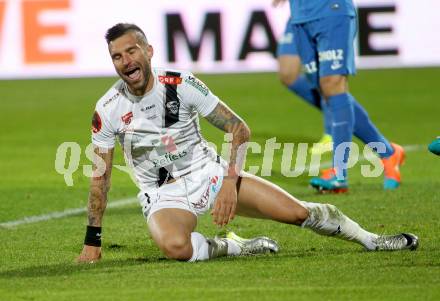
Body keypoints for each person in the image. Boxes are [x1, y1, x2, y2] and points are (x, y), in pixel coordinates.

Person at [77, 23, 418, 264]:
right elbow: (100, 177)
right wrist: (92, 243)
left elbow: (238, 128)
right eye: (117, 57)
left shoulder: (181, 84)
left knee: (299, 213)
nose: (126, 62)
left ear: (148, 51)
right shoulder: (108, 109)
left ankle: (372, 240)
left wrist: (228, 182)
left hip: (210, 174)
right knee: (176, 247)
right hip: (163, 194)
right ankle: (233, 247)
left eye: (131, 51)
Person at [273, 0, 405, 193]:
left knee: (332, 84)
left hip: (330, 10)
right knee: (324, 88)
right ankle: (388, 153)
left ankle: (339, 173)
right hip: (300, 15)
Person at [276, 18, 333, 155]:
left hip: (324, 12)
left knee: (325, 76)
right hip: (298, 14)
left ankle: (332, 135)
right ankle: (341, 110)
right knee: (287, 74)